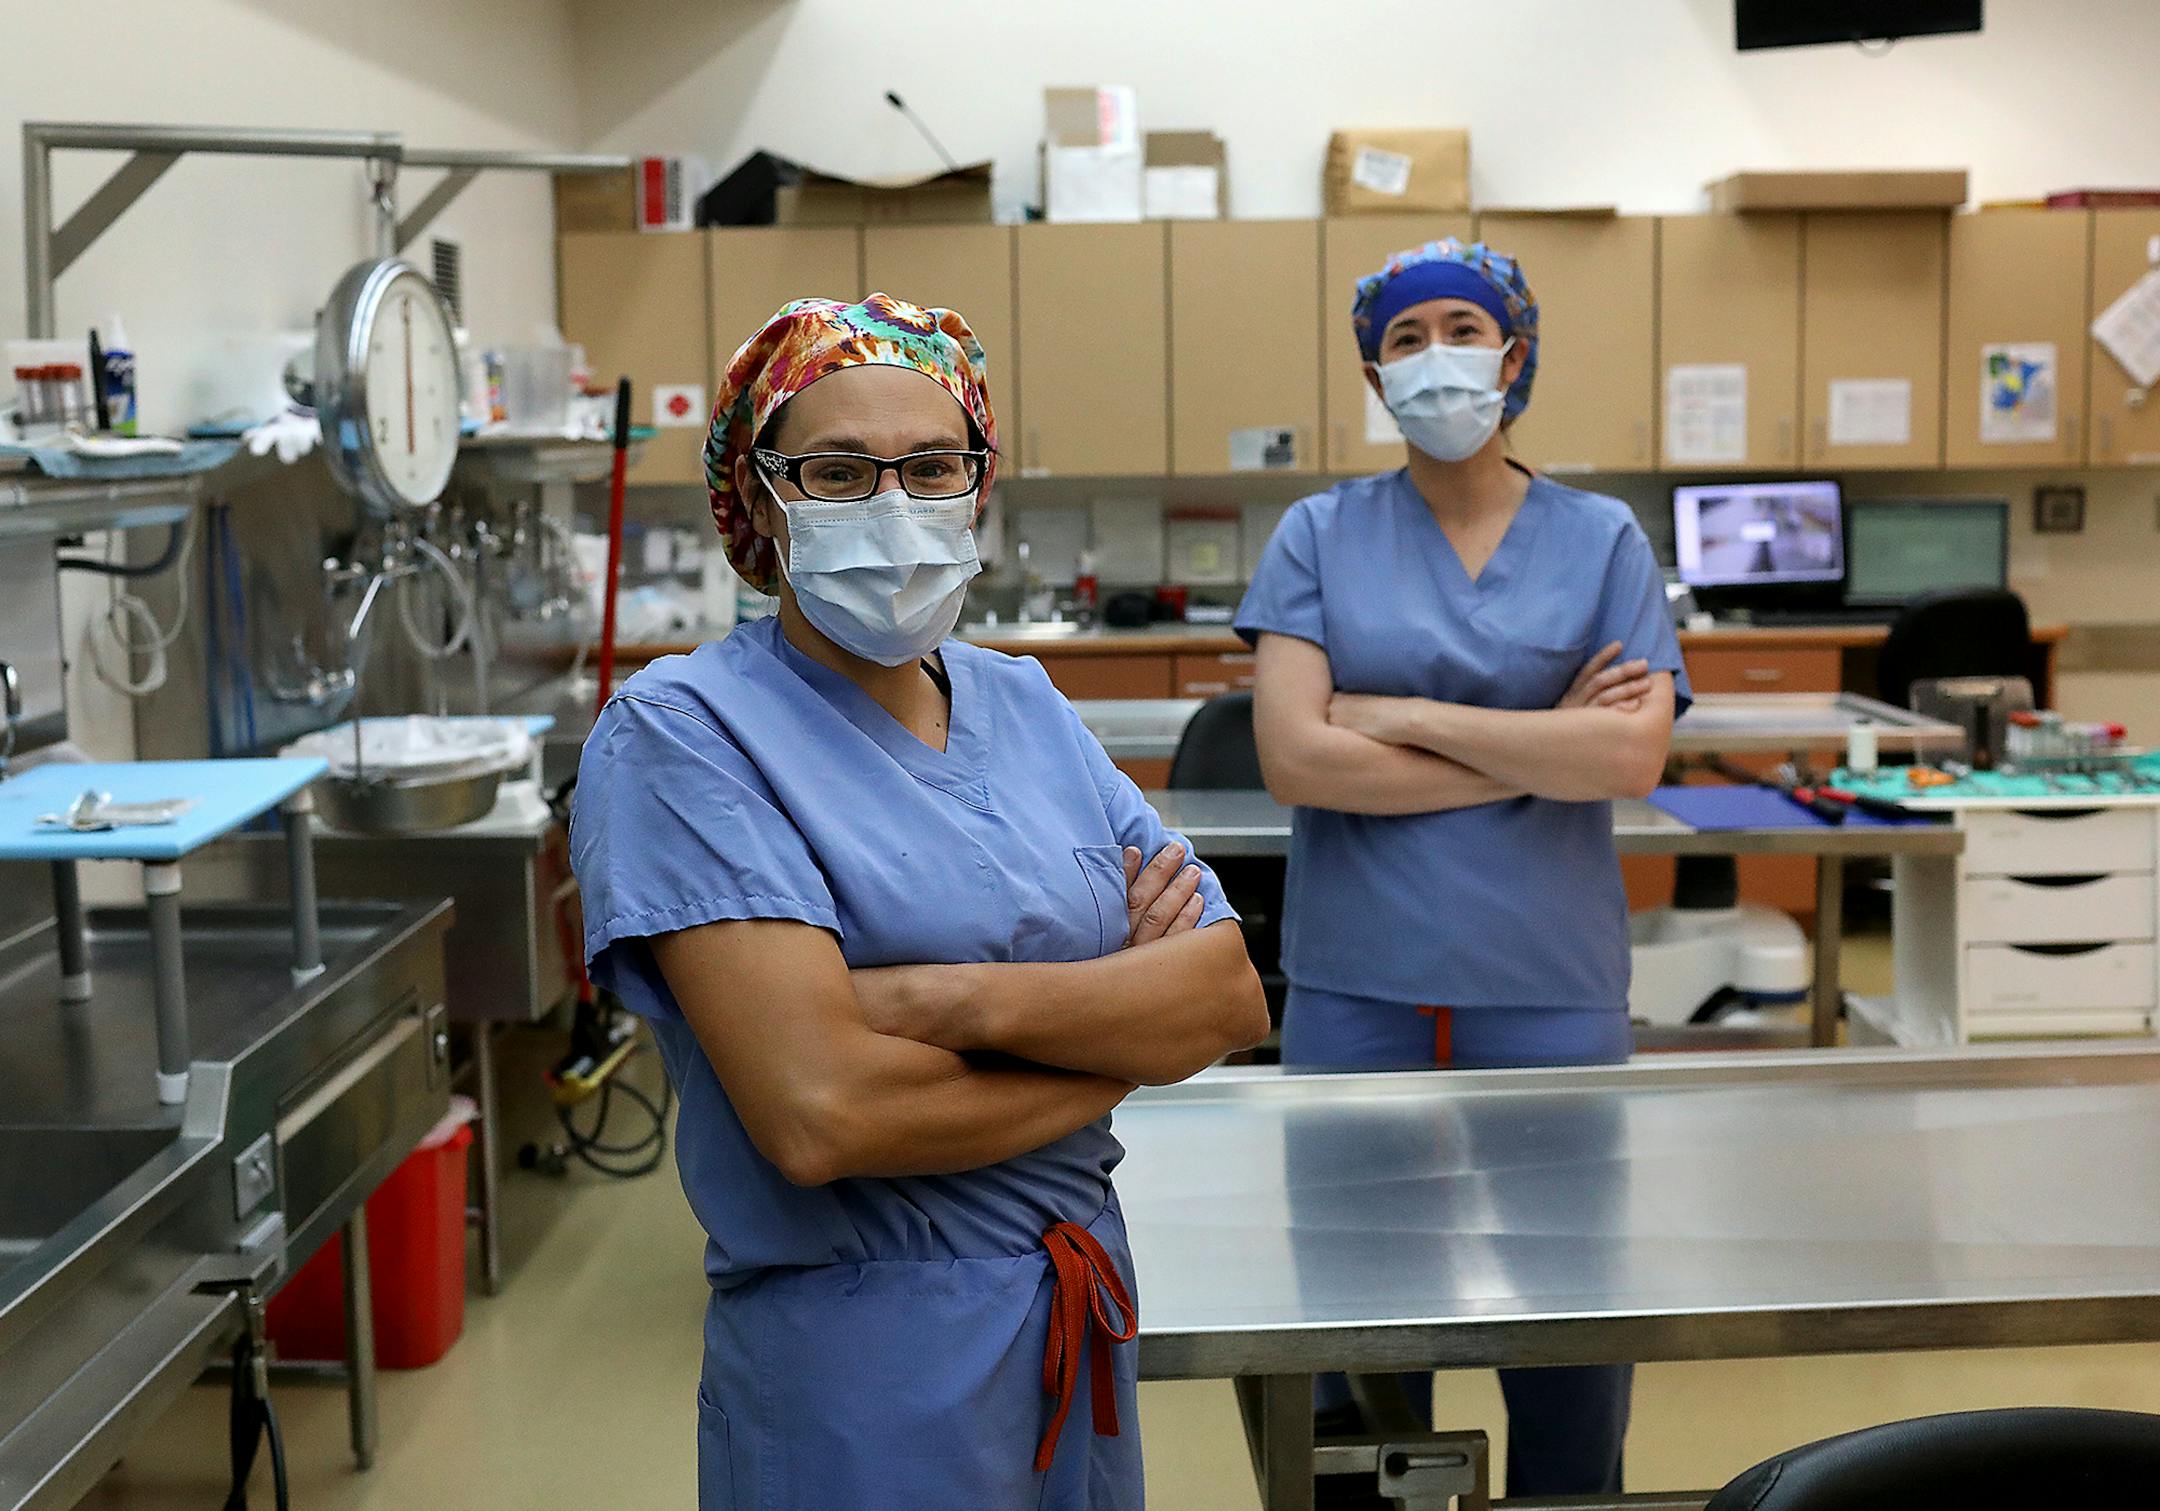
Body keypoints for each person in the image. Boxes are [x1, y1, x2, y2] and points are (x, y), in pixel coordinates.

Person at [571, 293, 1269, 1510]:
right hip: (864, 1367)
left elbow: (1224, 991)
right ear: (762, 495)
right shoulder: (684, 734)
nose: (895, 508)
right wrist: (1121, 1045)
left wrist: (940, 999)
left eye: (932, 465)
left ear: (977, 483)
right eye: (838, 471)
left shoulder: (1026, 702)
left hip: (1077, 1315)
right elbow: (822, 1113)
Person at [1235, 239, 1693, 1500]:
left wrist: (1396, 713)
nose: (1439, 355)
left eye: (1463, 327)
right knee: (1360, 1324)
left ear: (1517, 351)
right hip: (1358, 989)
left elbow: (1634, 751)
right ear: (1375, 374)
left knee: (1569, 1317)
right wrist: (1546, 747)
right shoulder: (1317, 531)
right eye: (1407, 337)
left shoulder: (1601, 537)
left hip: (1545, 983)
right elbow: (1295, 758)